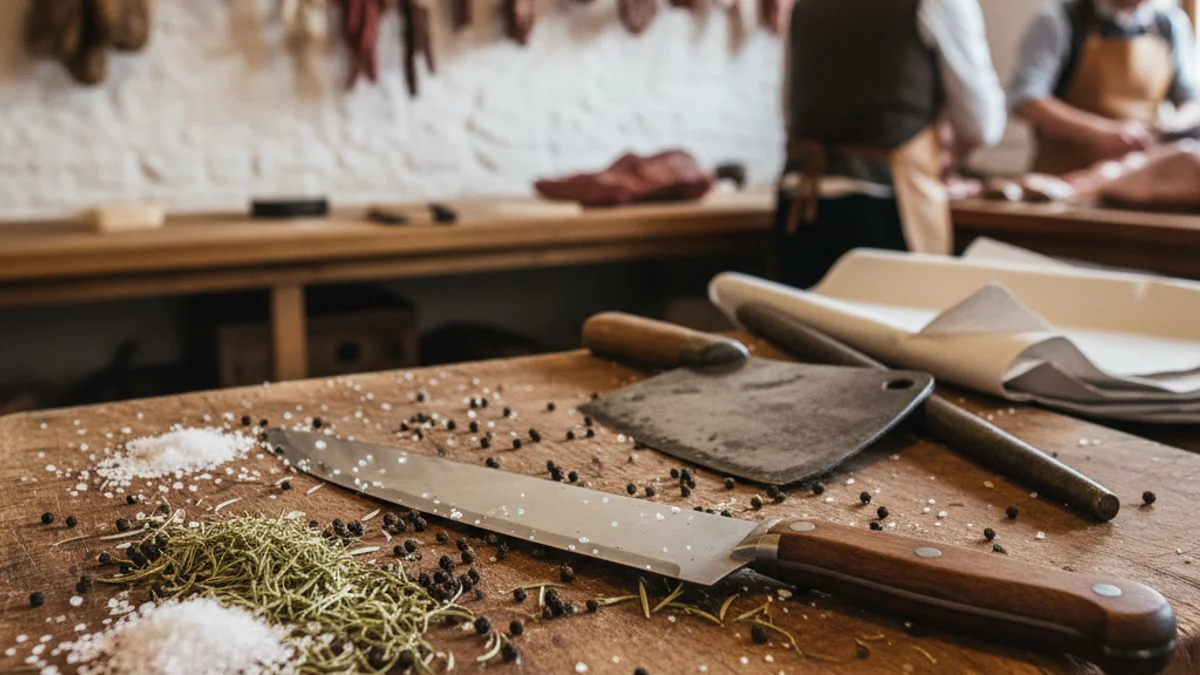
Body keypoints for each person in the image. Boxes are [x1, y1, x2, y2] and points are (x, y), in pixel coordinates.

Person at [775, 0, 1006, 289]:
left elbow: (789, 112)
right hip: (885, 208)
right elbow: (981, 124)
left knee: (797, 329)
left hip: (800, 203)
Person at [1009, 0, 1200, 176]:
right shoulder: (1061, 18)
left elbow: (1193, 100)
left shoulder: (1169, 23)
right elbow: (1026, 100)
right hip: (1063, 177)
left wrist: (1172, 126)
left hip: (1136, 178)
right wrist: (1103, 133)